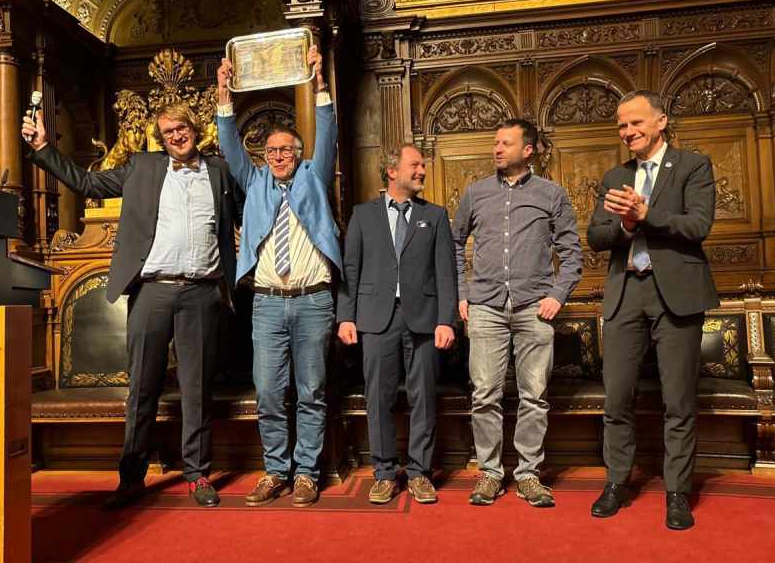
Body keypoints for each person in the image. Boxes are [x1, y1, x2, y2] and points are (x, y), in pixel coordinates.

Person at [21, 101, 240, 509]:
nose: (177, 135)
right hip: (152, 290)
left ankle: (198, 475)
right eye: (168, 131)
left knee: (197, 389)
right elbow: (88, 184)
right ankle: (132, 478)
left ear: (196, 130)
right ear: (160, 138)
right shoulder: (142, 167)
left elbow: (246, 215)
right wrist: (44, 148)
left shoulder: (220, 172)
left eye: (182, 128)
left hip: (202, 293)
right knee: (142, 388)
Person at [587, 90, 718, 530]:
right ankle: (615, 482)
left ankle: (677, 493)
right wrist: (625, 225)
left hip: (677, 296)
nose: (628, 132)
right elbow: (596, 236)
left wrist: (645, 214)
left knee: (678, 401)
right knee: (617, 398)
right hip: (626, 294)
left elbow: (698, 225)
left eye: (636, 123)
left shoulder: (693, 166)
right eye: (622, 126)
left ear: (661, 121)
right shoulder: (613, 175)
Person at [215, 45, 340, 507]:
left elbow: (327, 134)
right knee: (269, 392)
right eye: (271, 151)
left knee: (311, 390)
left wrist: (319, 84)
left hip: (313, 301)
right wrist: (224, 94)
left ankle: (307, 473)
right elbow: (229, 145)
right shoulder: (255, 183)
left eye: (286, 149)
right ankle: (275, 470)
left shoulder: (313, 176)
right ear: (263, 157)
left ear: (298, 153)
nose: (279, 156)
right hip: (267, 302)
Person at [453, 118, 582, 508]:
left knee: (534, 395)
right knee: (485, 394)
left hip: (534, 308)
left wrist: (557, 295)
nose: (496, 149)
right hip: (486, 307)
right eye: (495, 143)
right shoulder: (475, 194)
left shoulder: (551, 194)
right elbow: (454, 245)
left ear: (528, 150)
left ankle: (528, 474)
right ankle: (491, 473)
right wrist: (463, 294)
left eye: (505, 143)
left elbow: (573, 254)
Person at [337, 143, 457, 504]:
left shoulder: (435, 215)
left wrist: (446, 320)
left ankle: (420, 473)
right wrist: (346, 316)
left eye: (422, 165)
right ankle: (385, 473)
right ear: (392, 171)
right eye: (415, 165)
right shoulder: (363, 214)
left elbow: (446, 273)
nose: (421, 170)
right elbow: (351, 270)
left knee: (423, 399)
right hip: (375, 319)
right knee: (379, 399)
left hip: (423, 319)